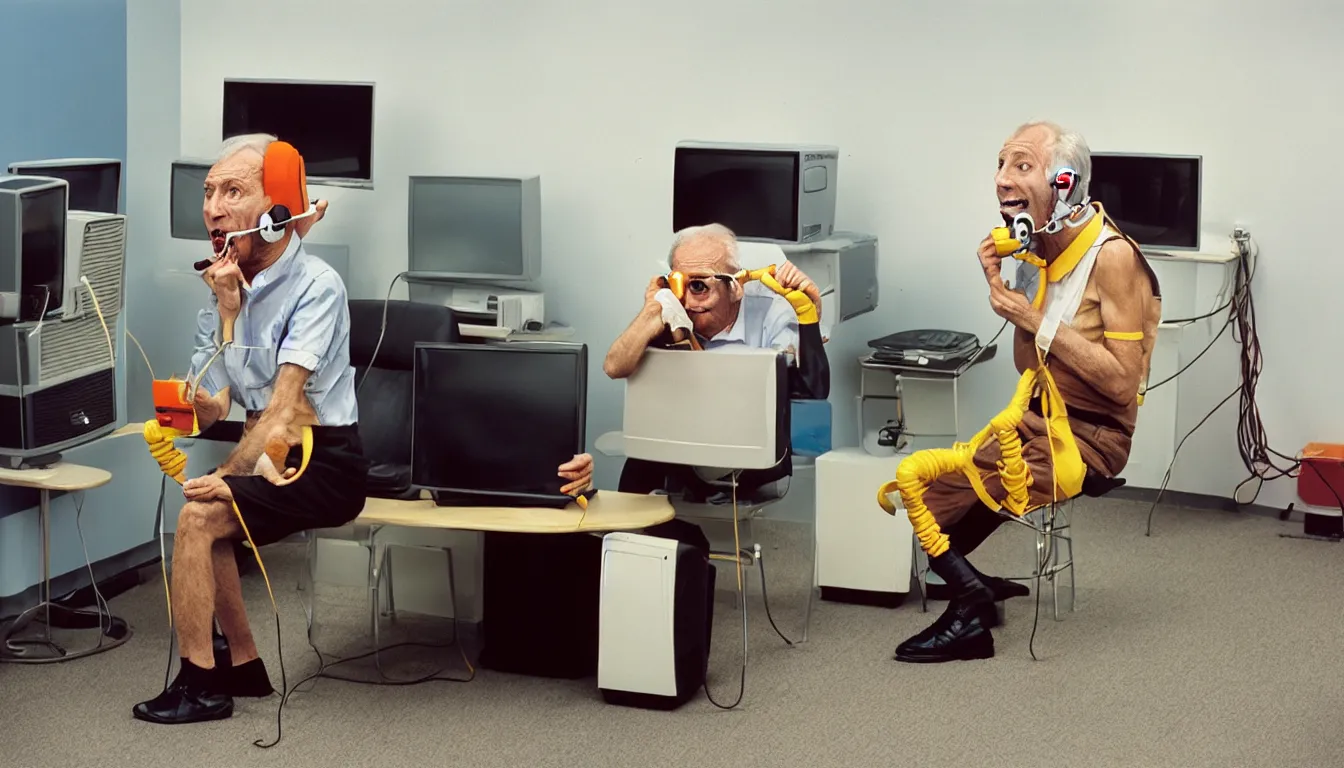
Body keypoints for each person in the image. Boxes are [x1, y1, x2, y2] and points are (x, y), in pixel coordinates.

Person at [132, 133, 595, 724]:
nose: (213, 209)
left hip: (322, 460)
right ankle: (239, 669)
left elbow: (285, 408)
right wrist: (213, 351)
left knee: (198, 515)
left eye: (232, 191)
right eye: (209, 192)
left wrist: (224, 475)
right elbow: (222, 406)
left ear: (276, 212)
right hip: (265, 447)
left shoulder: (317, 287)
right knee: (206, 523)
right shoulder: (224, 291)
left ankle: (200, 687)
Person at [889, 121, 1161, 664]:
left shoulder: (1112, 257)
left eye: (1021, 165)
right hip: (1034, 419)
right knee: (931, 501)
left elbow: (1122, 385)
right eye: (1000, 164)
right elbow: (1025, 363)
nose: (1001, 179)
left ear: (1064, 181)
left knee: (929, 493)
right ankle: (977, 586)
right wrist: (1007, 292)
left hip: (1092, 437)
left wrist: (1031, 317)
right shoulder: (1034, 248)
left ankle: (970, 614)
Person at [603, 223, 830, 550]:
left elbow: (813, 393)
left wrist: (808, 317)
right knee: (640, 462)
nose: (689, 301)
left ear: (735, 287)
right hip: (684, 448)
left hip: (752, 453)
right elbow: (614, 366)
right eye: (680, 283)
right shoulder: (672, 309)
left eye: (700, 286)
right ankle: (634, 557)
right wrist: (654, 308)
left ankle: (683, 553)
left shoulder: (771, 312)